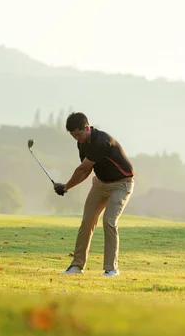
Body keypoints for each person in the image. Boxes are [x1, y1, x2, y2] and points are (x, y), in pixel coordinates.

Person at [54, 112, 134, 277]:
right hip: (100, 184)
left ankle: (111, 269)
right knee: (87, 222)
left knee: (109, 221)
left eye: (79, 134)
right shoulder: (82, 144)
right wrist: (67, 187)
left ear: (87, 127)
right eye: (74, 136)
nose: (77, 138)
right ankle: (77, 266)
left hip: (122, 184)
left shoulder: (101, 141)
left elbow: (82, 169)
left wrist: (65, 187)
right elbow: (87, 171)